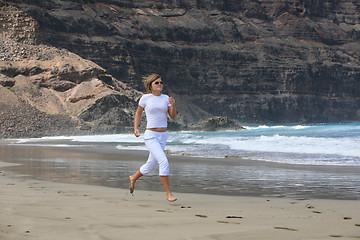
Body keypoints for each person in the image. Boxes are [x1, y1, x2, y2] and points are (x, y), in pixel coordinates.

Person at [129, 74, 177, 202]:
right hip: (151, 135)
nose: (160, 84)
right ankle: (168, 194)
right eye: (157, 83)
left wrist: (172, 105)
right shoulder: (145, 98)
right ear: (150, 85)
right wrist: (136, 128)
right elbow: (138, 113)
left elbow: (172, 116)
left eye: (161, 82)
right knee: (163, 161)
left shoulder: (166, 98)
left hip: (163, 135)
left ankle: (133, 177)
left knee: (151, 164)